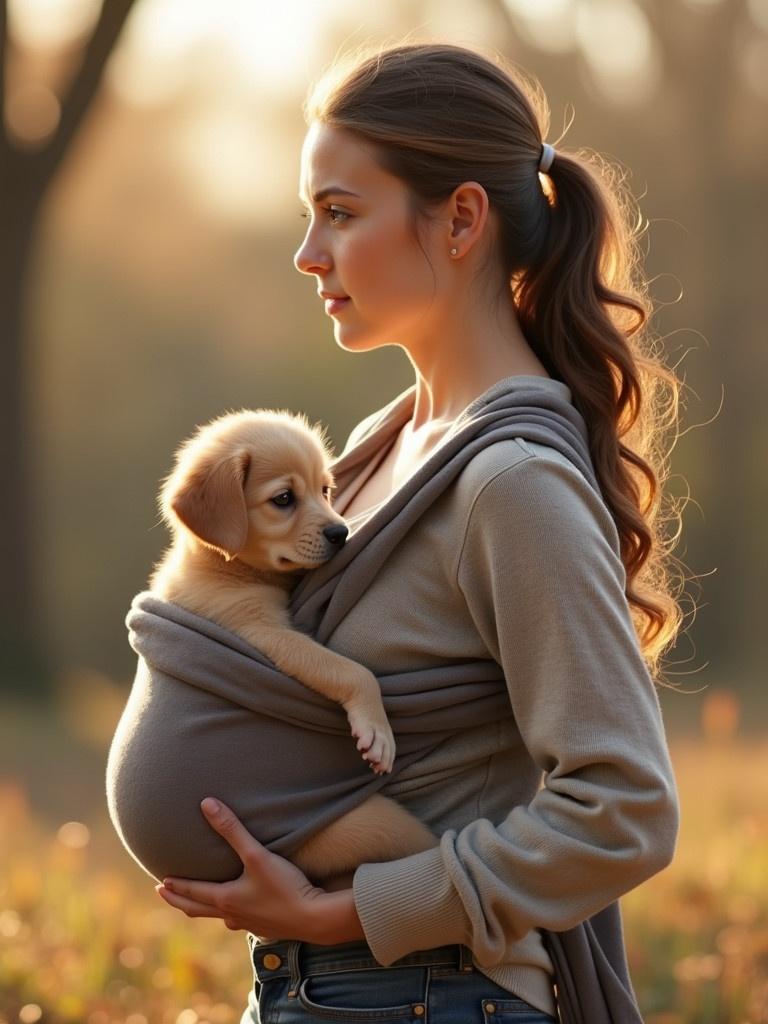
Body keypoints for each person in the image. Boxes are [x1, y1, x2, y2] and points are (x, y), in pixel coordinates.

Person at [155, 40, 683, 1023]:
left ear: (462, 220)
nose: (309, 253)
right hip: (327, 992)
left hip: (436, 995)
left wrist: (351, 909)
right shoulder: (373, 449)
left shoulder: (509, 483)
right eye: (308, 217)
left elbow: (626, 810)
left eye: (339, 214)